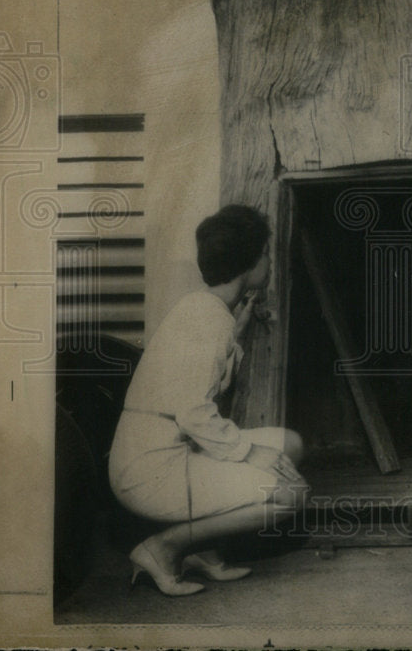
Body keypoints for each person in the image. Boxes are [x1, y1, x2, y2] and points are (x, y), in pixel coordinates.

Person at [108, 205, 309, 596]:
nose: (269, 260)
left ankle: (205, 551)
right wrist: (250, 453)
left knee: (291, 445)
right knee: (291, 495)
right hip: (150, 472)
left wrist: (240, 324)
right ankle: (163, 549)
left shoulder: (204, 308)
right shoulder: (208, 320)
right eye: (265, 253)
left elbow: (196, 375)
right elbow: (193, 413)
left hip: (169, 451)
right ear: (249, 263)